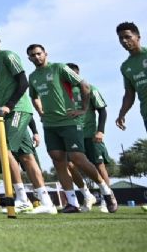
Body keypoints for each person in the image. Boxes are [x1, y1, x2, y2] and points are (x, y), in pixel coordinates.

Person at [26, 45, 118, 213]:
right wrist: (41, 112)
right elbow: (34, 97)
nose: (37, 57)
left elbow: (84, 85)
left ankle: (106, 191)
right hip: (50, 125)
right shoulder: (32, 77)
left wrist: (83, 108)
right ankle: (72, 203)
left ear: (45, 53)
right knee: (58, 160)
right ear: (29, 58)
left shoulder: (59, 68)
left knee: (78, 158)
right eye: (33, 55)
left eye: (39, 53)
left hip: (69, 122)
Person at [0, 30, 55, 214]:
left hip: (17, 109)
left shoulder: (8, 56)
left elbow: (23, 82)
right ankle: (46, 201)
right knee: (27, 156)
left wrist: (10, 106)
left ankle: (21, 198)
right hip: (7, 112)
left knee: (2, 148)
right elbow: (0, 95)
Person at [66, 63, 115, 213]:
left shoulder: (90, 89)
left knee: (99, 166)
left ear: (78, 74)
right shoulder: (63, 92)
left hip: (91, 134)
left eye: (73, 74)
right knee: (70, 165)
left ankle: (107, 200)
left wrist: (100, 131)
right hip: (73, 135)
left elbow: (102, 111)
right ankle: (87, 195)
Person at [116, 22, 147, 134]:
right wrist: (122, 114)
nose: (124, 41)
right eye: (121, 38)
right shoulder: (125, 67)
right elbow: (129, 94)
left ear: (138, 37)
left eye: (127, 37)